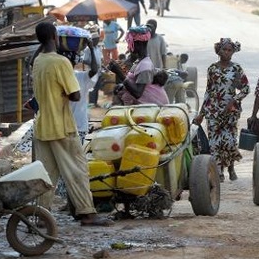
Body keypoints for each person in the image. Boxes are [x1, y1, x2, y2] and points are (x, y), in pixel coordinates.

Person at [32, 21, 113, 226]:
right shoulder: (61, 63)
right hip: (62, 126)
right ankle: (87, 213)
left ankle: (41, 216)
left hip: (42, 127)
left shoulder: (38, 61)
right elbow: (75, 95)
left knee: (46, 175)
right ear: (54, 37)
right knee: (77, 170)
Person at [193, 38, 250, 182]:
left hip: (230, 112)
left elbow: (245, 89)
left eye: (230, 50)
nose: (226, 52)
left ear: (233, 52)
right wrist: (201, 113)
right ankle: (218, 172)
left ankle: (230, 166)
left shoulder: (236, 68)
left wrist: (234, 100)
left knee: (229, 141)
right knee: (214, 143)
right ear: (219, 51)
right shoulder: (212, 69)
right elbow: (208, 91)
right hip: (213, 110)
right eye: (224, 49)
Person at [118, 25, 169, 106]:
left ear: (138, 44)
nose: (128, 46)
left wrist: (119, 73)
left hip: (148, 111)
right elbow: (133, 81)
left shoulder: (145, 66)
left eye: (130, 43)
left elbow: (138, 93)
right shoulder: (139, 61)